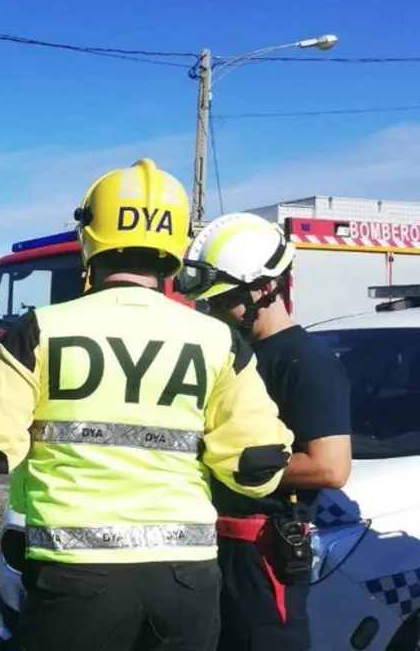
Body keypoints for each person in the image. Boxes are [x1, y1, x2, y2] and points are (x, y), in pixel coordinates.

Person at [0, 158, 295, 651]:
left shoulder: (42, 330)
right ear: (176, 244)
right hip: (186, 581)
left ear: (89, 236)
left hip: (75, 577)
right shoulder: (218, 341)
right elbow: (257, 465)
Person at [178, 212, 352, 651]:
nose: (215, 312)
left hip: (262, 551)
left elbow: (331, 467)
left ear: (262, 288)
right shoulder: (232, 355)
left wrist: (239, 464)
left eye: (223, 301)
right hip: (216, 544)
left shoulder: (306, 362)